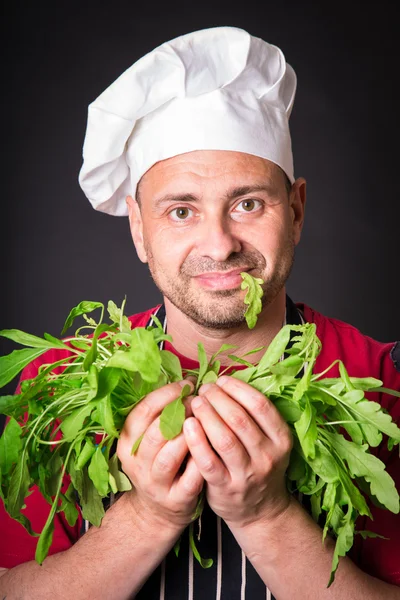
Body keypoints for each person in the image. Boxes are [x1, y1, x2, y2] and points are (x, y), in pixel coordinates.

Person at [0, 26, 399, 600]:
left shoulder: (383, 382)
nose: (218, 244)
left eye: (247, 203)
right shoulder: (55, 393)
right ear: (140, 229)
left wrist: (267, 517)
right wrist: (147, 517)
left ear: (297, 211)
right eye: (181, 210)